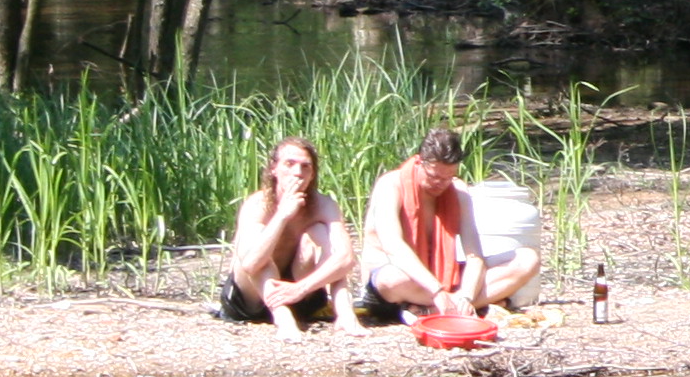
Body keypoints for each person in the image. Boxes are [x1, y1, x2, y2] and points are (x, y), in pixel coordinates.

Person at [357, 125, 542, 323]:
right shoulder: (390, 185)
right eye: (434, 177)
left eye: (448, 178)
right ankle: (456, 306)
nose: (441, 184)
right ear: (419, 162)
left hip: (445, 279)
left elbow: (474, 256)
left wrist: (467, 295)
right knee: (392, 279)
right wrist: (436, 290)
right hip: (399, 282)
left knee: (527, 258)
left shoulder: (458, 190)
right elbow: (394, 247)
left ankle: (439, 310)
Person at [221, 136, 358, 331]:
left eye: (305, 167)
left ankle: (346, 315)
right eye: (289, 164)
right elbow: (251, 264)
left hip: (300, 294)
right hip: (251, 298)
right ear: (274, 169)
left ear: (312, 175)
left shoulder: (324, 205)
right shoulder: (257, 205)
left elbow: (345, 259)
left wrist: (300, 288)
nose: (297, 173)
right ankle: (283, 319)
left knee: (318, 232)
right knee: (261, 244)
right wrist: (282, 215)